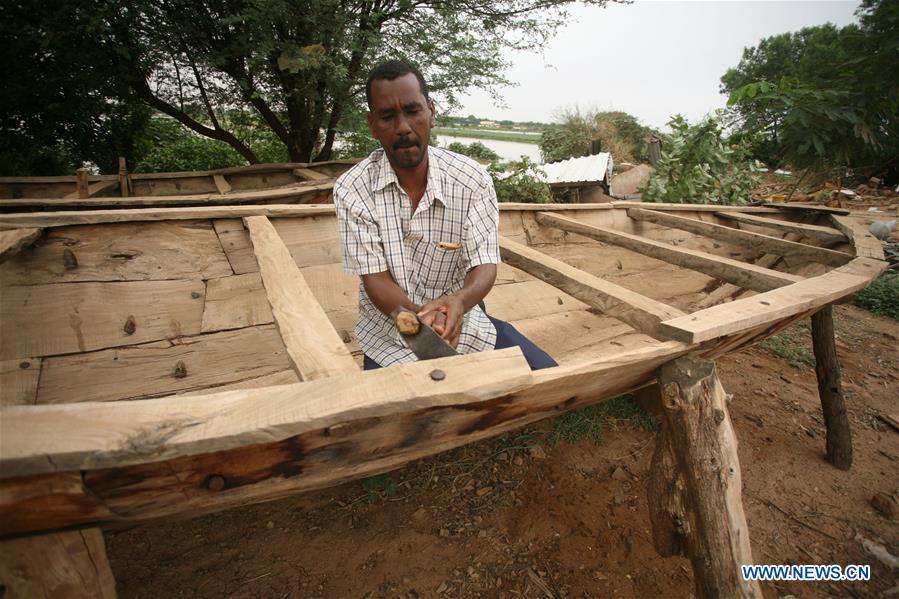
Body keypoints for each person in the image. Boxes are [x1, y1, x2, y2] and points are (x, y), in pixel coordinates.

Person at [333, 59, 557, 371]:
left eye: (412, 111)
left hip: (462, 319)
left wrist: (460, 302)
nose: (402, 127)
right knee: (404, 414)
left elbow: (483, 264)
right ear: (372, 125)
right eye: (388, 116)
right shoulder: (353, 188)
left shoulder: (471, 179)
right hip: (390, 331)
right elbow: (376, 280)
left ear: (431, 113)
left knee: (547, 375)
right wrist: (423, 326)